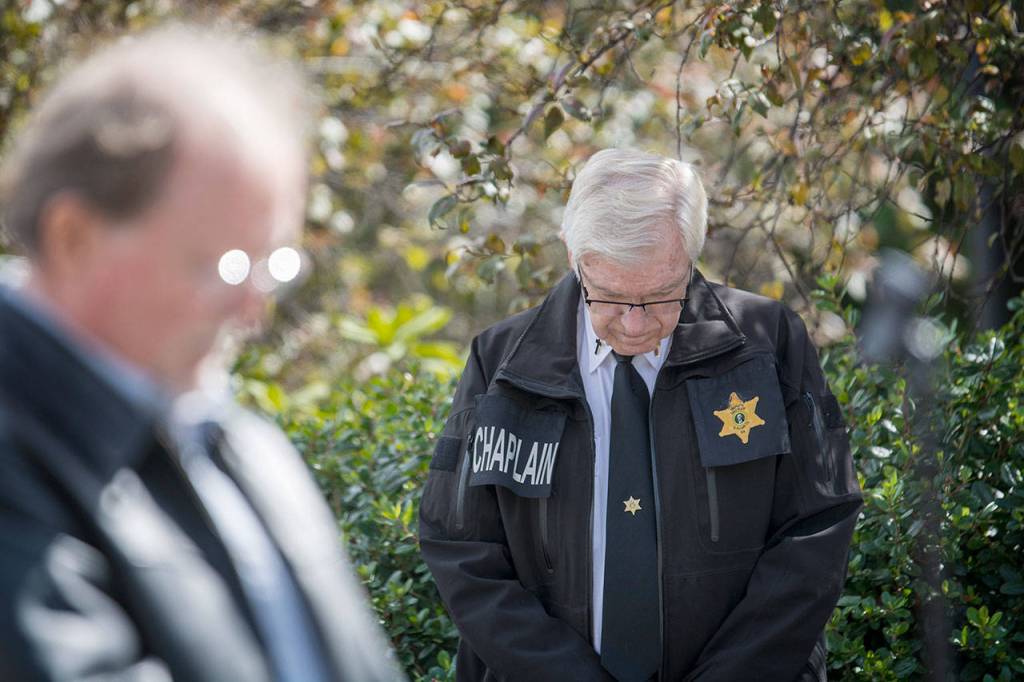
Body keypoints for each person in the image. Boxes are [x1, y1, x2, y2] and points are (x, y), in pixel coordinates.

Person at [0, 25, 402, 681]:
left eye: (273, 263)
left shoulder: (245, 447)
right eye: (223, 264)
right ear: (73, 235)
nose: (253, 310)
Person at [419, 148, 863, 681]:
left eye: (661, 297)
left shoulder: (768, 344)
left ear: (692, 256)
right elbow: (460, 546)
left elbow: (817, 524)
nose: (634, 326)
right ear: (572, 256)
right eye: (606, 297)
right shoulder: (503, 364)